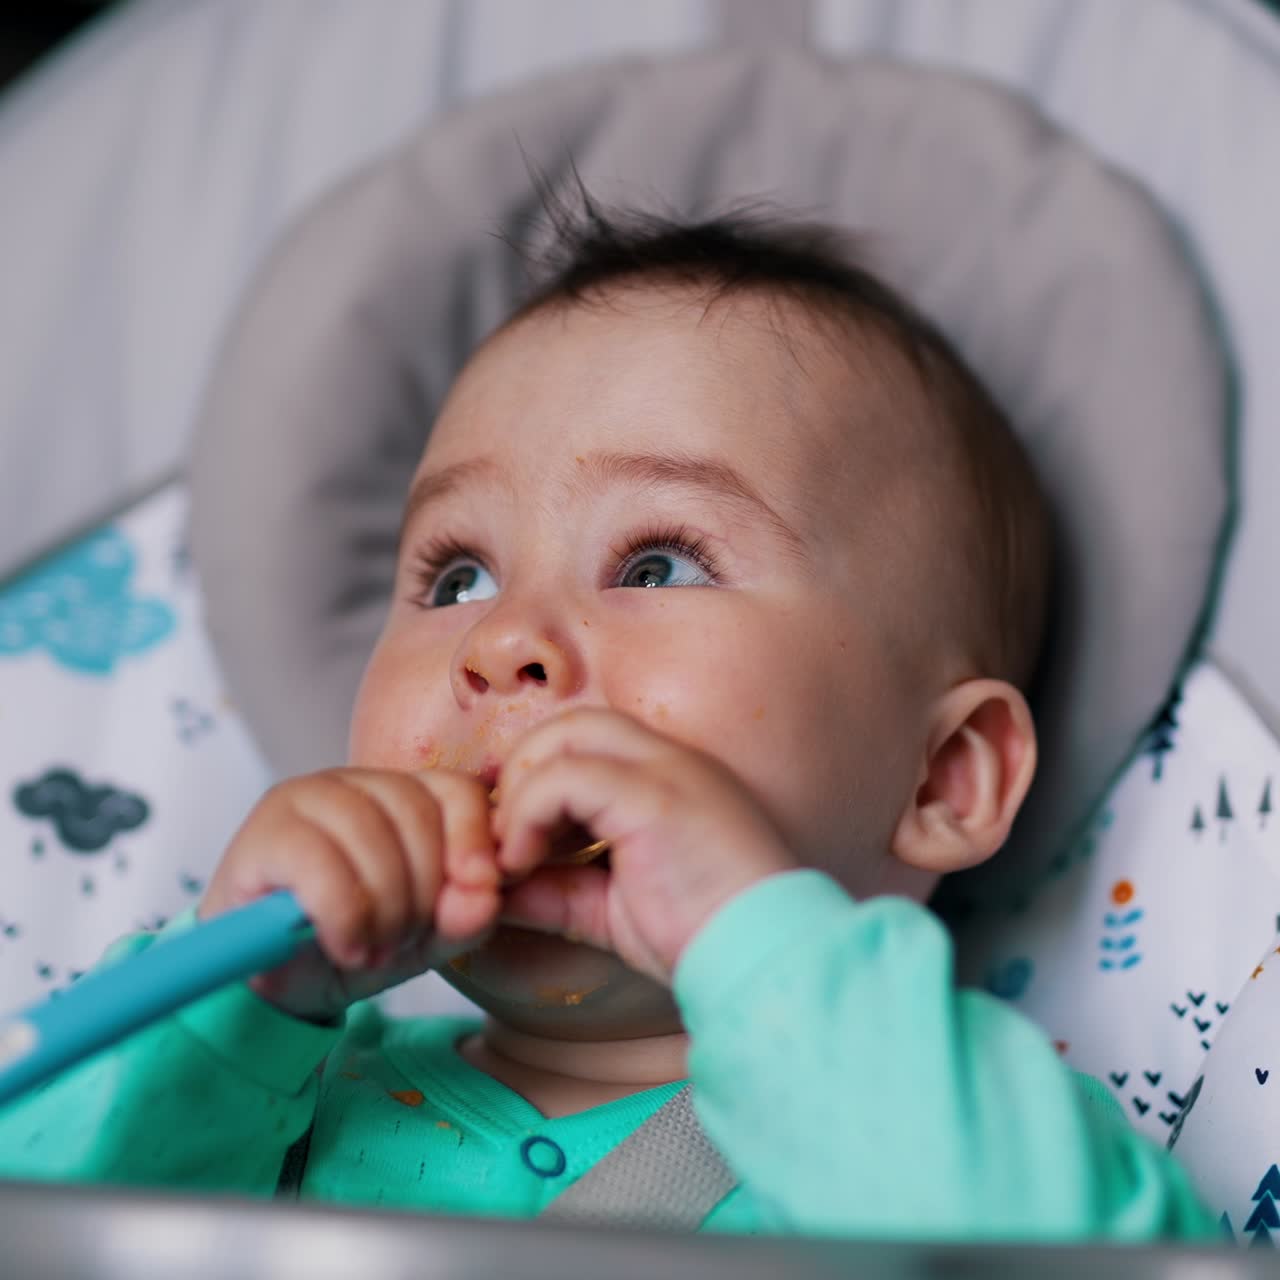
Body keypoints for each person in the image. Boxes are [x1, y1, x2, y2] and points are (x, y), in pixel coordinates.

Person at [0, 194, 1217, 1240]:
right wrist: (237, 1002)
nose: (499, 638)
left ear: (940, 778)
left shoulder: (942, 1136)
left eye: (655, 566)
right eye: (453, 577)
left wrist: (753, 945)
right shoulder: (260, 1111)